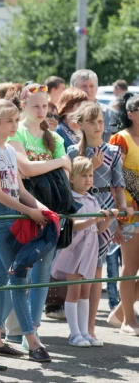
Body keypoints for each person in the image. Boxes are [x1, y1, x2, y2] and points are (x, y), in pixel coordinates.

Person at [0, 98, 50, 362]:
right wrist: (30, 211)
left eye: (16, 120)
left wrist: (41, 208)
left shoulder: (7, 150)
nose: (15, 125)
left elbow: (19, 188)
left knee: (1, 276)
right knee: (18, 277)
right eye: (10, 121)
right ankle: (32, 340)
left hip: (15, 213)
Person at [7, 82, 71, 343]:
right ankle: (12, 329)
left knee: (43, 273)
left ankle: (32, 329)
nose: (42, 110)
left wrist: (44, 166)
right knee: (20, 268)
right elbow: (25, 169)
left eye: (45, 106)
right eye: (36, 106)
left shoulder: (54, 137)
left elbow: (63, 175)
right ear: (23, 106)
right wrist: (58, 162)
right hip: (24, 209)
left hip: (51, 209)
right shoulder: (16, 133)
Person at [67, 101, 131, 342]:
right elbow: (72, 183)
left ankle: (90, 328)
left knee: (95, 272)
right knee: (79, 269)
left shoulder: (113, 151)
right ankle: (78, 330)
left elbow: (119, 183)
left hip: (106, 209)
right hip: (82, 207)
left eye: (100, 121)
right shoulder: (73, 151)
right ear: (81, 124)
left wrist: (122, 211)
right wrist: (91, 166)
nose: (97, 126)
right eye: (92, 122)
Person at [51, 156, 118, 347]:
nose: (88, 180)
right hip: (74, 250)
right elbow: (74, 225)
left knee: (85, 292)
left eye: (90, 175)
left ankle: (85, 332)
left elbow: (100, 228)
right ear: (71, 178)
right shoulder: (70, 199)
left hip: (90, 251)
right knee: (73, 291)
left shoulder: (92, 198)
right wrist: (94, 219)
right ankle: (74, 334)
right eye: (83, 176)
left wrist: (110, 217)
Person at [108, 95, 139, 336]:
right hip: (130, 213)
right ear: (130, 113)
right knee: (129, 266)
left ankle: (120, 312)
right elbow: (114, 177)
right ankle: (128, 319)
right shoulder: (120, 138)